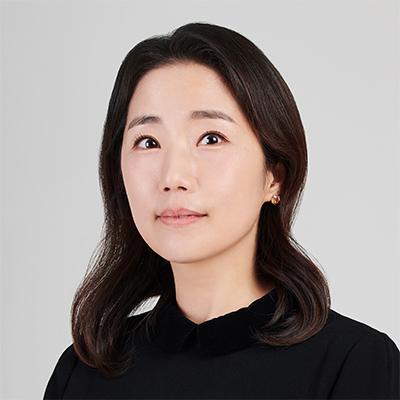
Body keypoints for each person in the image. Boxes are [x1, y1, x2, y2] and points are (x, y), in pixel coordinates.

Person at [43, 22, 399, 399]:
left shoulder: (353, 363)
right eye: (147, 142)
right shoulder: (84, 372)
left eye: (211, 138)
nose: (173, 177)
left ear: (274, 177)